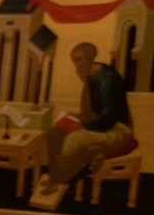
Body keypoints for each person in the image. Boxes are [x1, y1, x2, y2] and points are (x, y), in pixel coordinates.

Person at [44, 41, 134, 189]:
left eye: (80, 60)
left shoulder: (108, 78)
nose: (77, 65)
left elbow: (108, 118)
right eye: (74, 61)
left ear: (90, 57)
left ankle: (61, 180)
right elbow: (89, 113)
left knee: (73, 139)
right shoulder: (89, 78)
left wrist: (81, 125)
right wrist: (72, 116)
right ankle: (54, 176)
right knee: (53, 133)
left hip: (117, 129)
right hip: (98, 125)